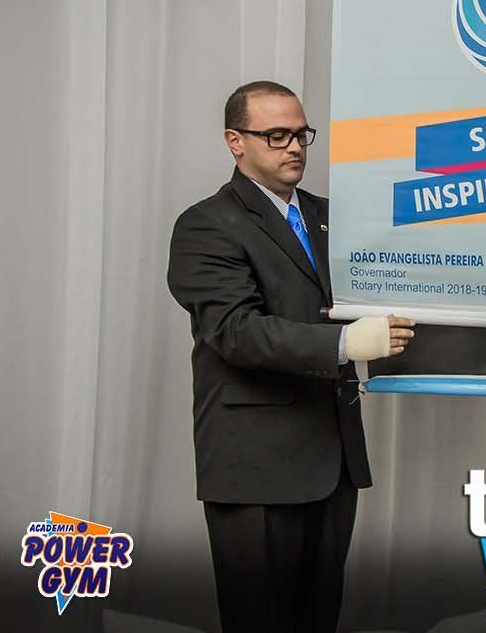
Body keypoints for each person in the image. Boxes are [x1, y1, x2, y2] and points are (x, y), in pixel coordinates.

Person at [168, 80, 415, 633]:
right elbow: (234, 331)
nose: (295, 147)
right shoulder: (206, 224)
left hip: (333, 460)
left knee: (318, 620)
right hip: (256, 467)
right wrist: (343, 344)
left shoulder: (334, 219)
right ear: (235, 141)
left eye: (302, 134)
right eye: (276, 135)